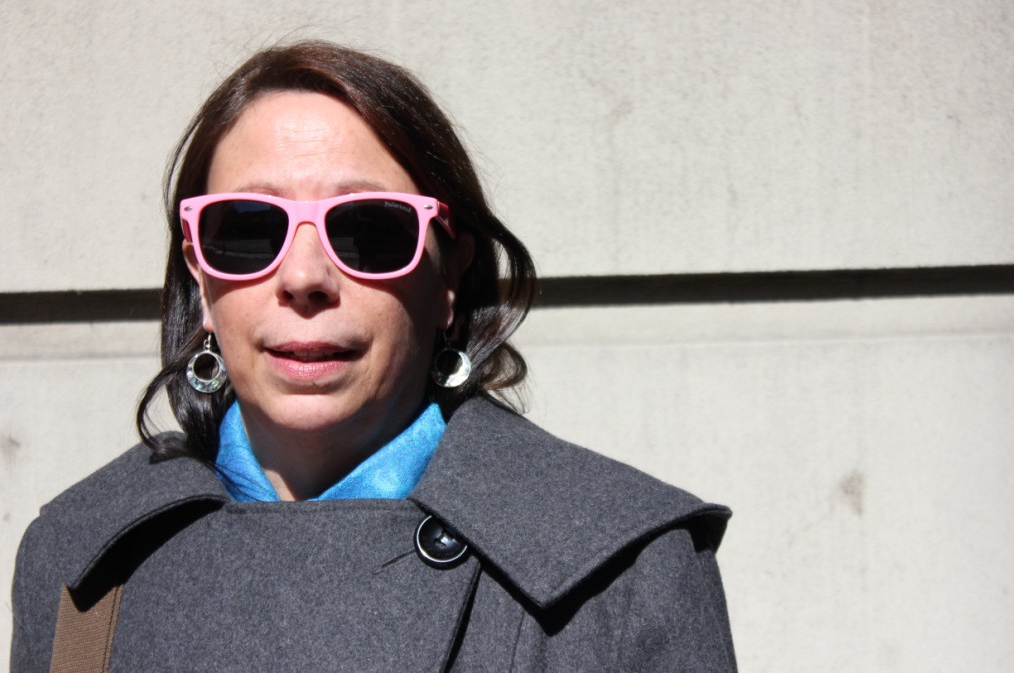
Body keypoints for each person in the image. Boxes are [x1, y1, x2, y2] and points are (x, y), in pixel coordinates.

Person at [11, 41, 737, 671]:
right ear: (200, 279)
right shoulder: (82, 563)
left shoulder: (622, 570)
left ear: (449, 277)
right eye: (248, 230)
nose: (303, 277)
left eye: (367, 231)